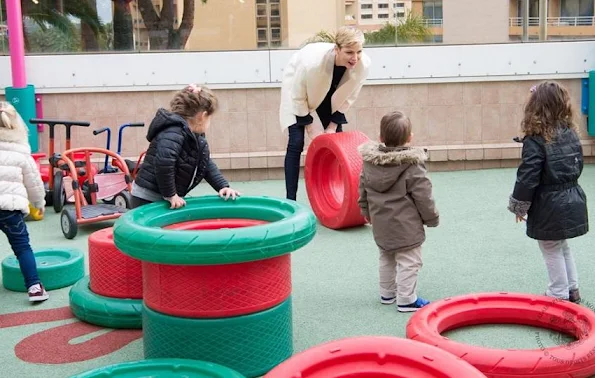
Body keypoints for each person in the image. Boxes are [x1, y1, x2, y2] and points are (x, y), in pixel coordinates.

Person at [508, 81, 588, 304]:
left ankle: (558, 294)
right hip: (571, 198)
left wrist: (519, 205)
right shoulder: (570, 133)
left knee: (551, 247)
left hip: (549, 204)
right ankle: (572, 290)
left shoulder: (535, 140)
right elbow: (576, 165)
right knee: (561, 246)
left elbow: (528, 177)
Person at [357, 111, 439, 312]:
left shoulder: (369, 163)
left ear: (381, 138)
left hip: (381, 224)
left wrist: (366, 211)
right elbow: (423, 194)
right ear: (409, 137)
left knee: (387, 256)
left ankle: (387, 293)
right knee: (410, 261)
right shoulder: (412, 165)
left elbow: (363, 189)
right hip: (406, 226)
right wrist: (432, 218)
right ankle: (406, 299)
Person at [279, 26, 371, 201]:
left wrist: (332, 126)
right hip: (300, 88)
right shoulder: (311, 64)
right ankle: (291, 200)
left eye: (359, 51)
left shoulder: (363, 64)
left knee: (338, 141)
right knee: (296, 142)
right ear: (336, 49)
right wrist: (310, 128)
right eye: (349, 52)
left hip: (330, 91)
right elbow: (298, 96)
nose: (355, 57)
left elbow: (350, 96)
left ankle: (342, 196)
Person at [131, 84, 241, 209]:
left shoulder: (195, 136)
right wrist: (171, 195)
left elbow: (205, 164)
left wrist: (222, 186)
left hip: (164, 194)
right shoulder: (173, 132)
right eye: (210, 118)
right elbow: (164, 163)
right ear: (202, 116)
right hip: (148, 196)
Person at [0, 101, 49, 302]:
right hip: (10, 209)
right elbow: (34, 183)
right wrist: (39, 203)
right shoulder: (21, 151)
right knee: (22, 248)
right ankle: (34, 288)